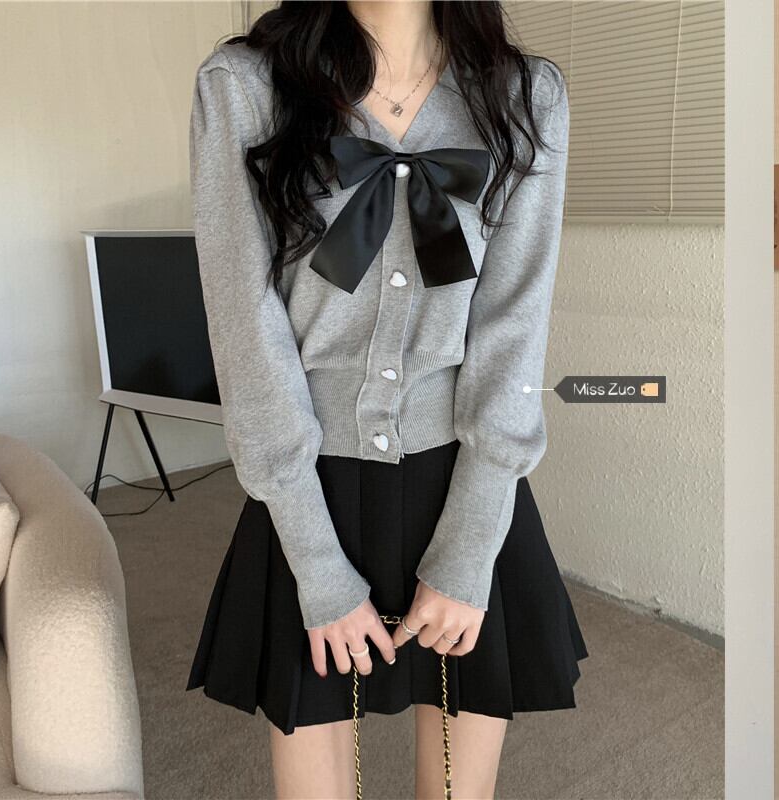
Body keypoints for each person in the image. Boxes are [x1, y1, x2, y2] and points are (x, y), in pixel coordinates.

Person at [185, 1, 588, 797]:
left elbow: (514, 329)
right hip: (311, 488)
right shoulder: (243, 87)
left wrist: (470, 550)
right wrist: (316, 565)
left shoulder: (526, 97)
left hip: (466, 486)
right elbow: (245, 331)